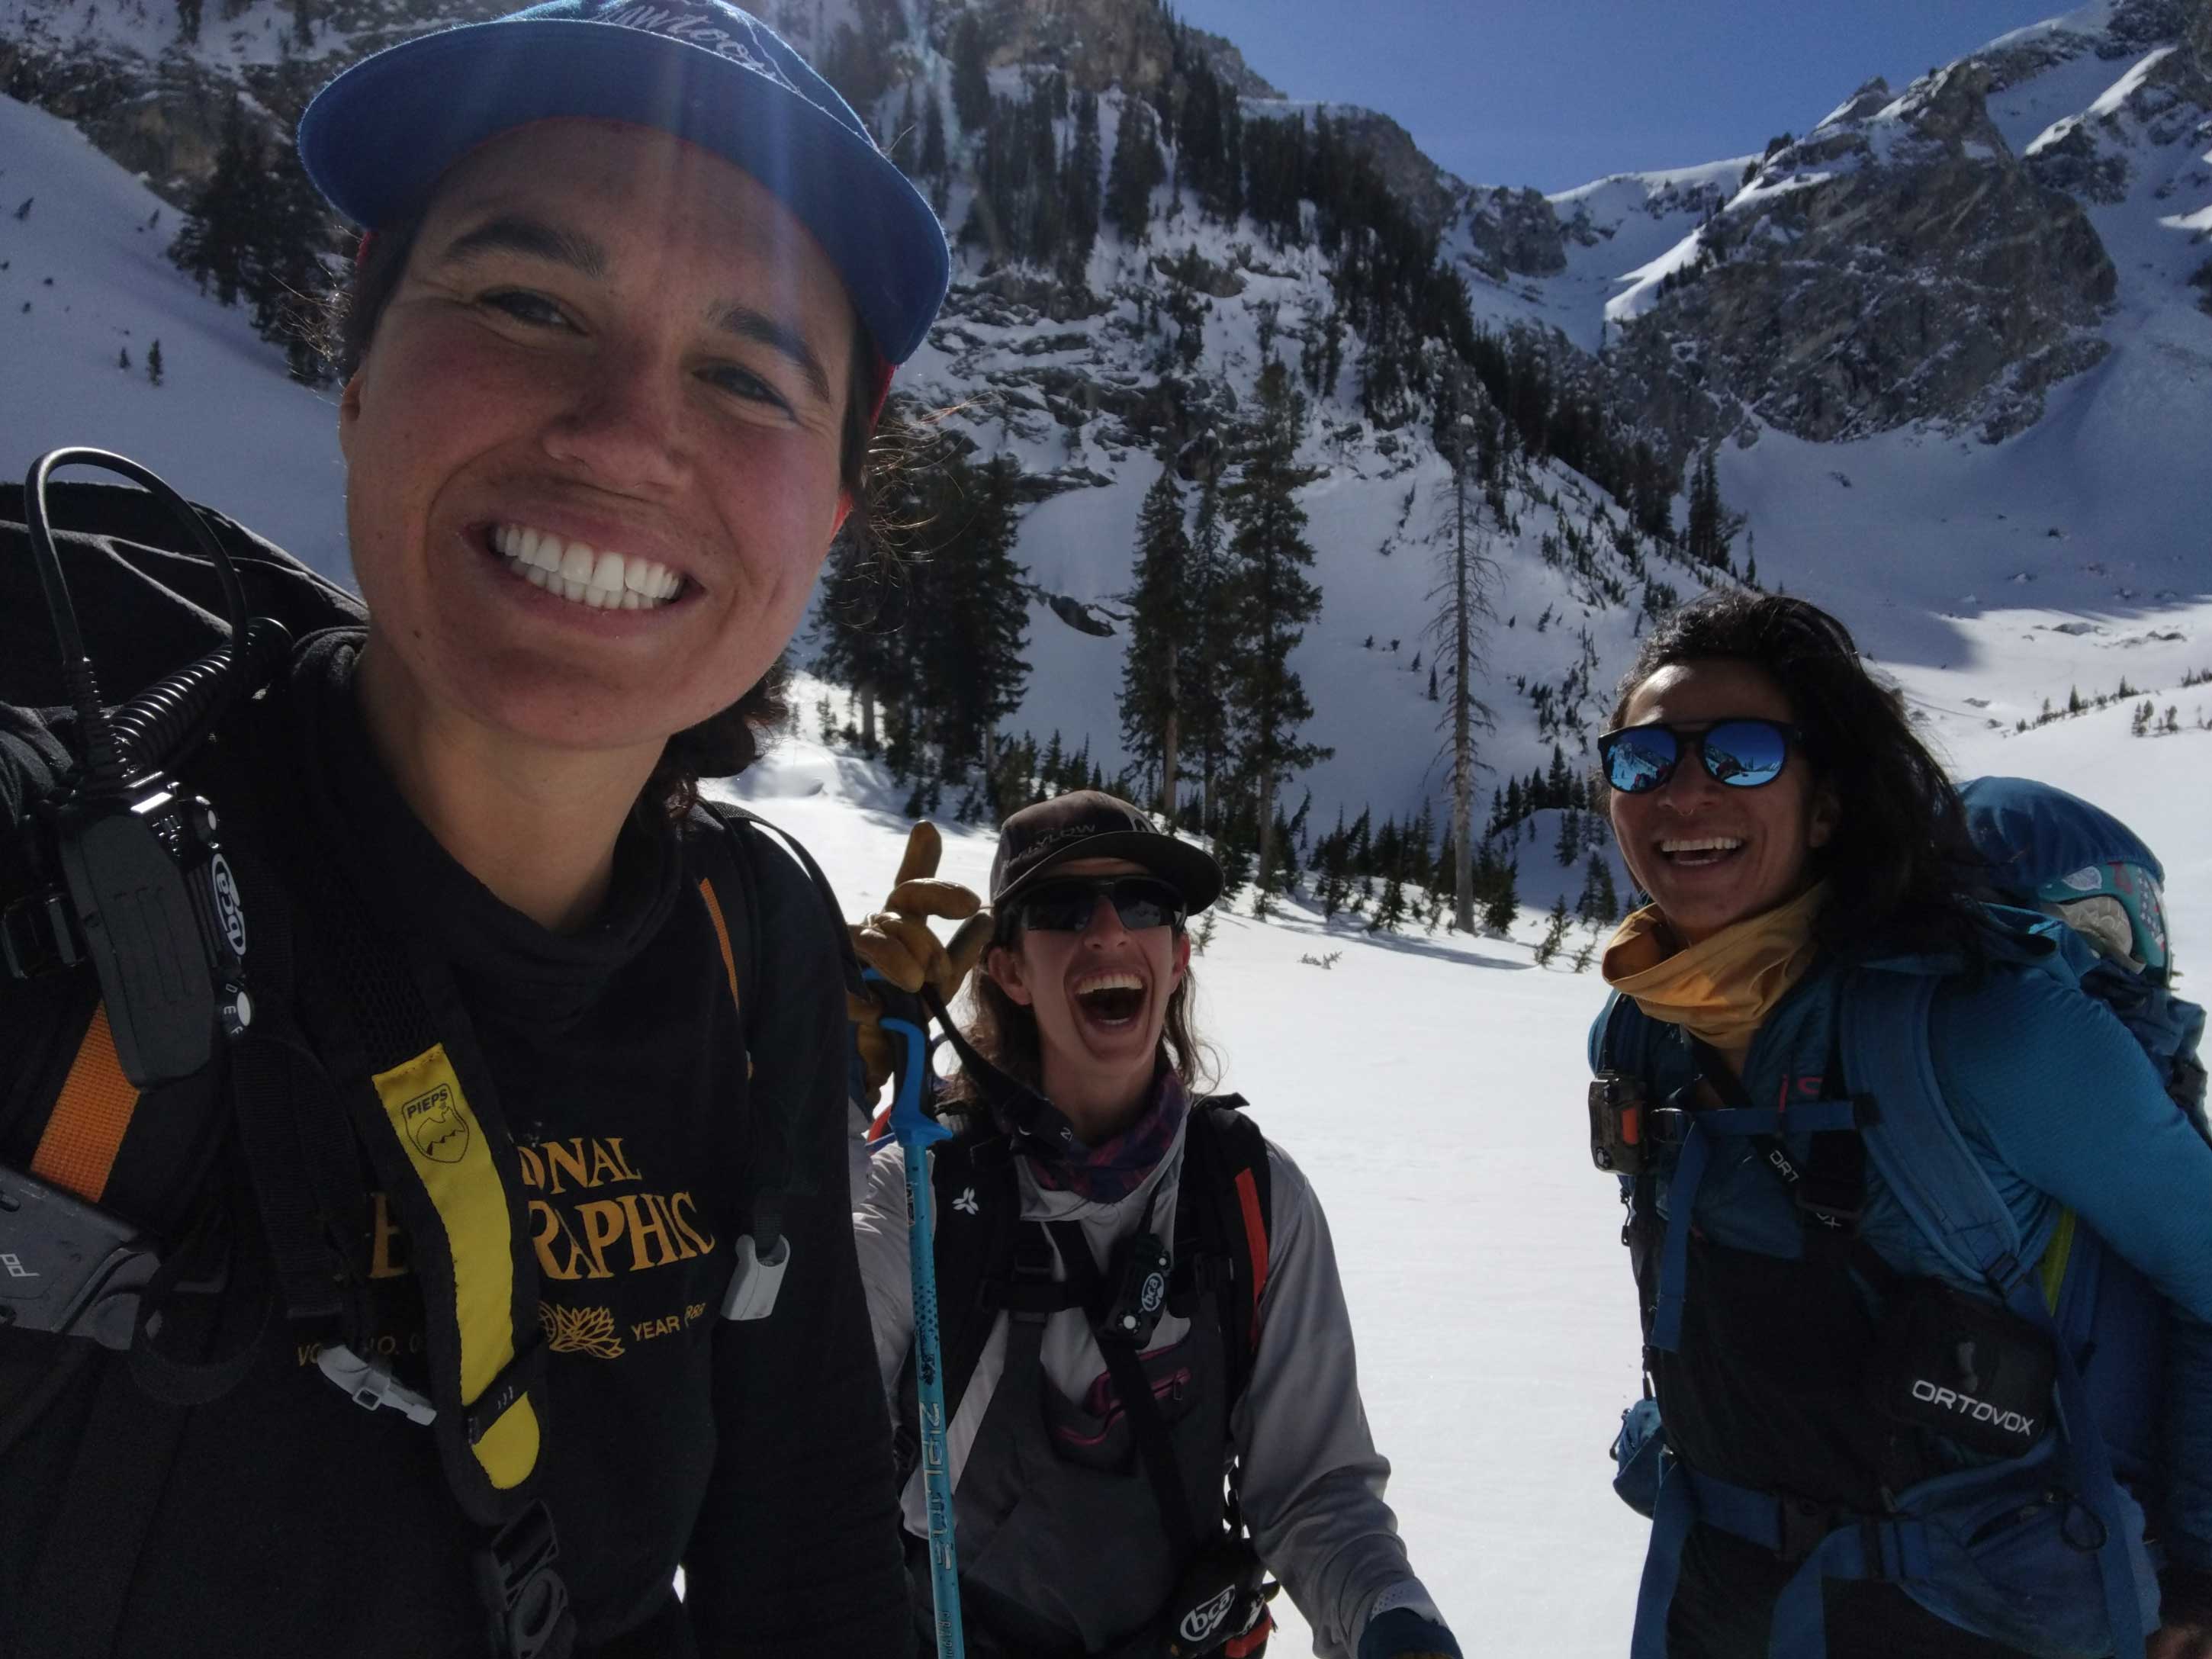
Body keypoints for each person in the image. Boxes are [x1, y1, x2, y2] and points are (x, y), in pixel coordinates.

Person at [0, 2, 948, 1654]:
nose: (623, 435)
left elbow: (799, 1543)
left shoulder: (759, 946)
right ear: (357, 359)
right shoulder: (57, 859)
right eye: (527, 300)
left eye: (744, 373)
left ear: (835, 515)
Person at [1587, 592, 2212, 1659]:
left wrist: (2198, 1567)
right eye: (1643, 758)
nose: (1685, 788)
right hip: (1725, 1596)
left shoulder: (1989, 1023)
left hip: (1980, 1616)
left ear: (1827, 804)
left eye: (1738, 753)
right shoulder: (1644, 1033)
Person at [848, 790, 1463, 1659]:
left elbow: (1312, 1488)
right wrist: (807, 1089)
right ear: (1009, 971)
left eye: (1143, 904)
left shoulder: (1246, 1195)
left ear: (1176, 956)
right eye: (1063, 909)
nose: (1107, 932)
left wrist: (1390, 1617)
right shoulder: (921, 1196)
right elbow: (798, 1453)